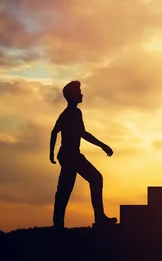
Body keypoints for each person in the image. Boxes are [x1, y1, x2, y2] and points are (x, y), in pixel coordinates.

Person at [50, 80, 117, 228]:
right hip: (71, 156)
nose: (82, 95)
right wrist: (102, 145)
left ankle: (58, 224)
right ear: (72, 96)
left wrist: (52, 153)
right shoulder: (72, 113)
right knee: (94, 179)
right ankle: (99, 218)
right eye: (79, 92)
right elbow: (82, 133)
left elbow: (54, 132)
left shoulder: (68, 113)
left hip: (68, 155)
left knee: (65, 189)